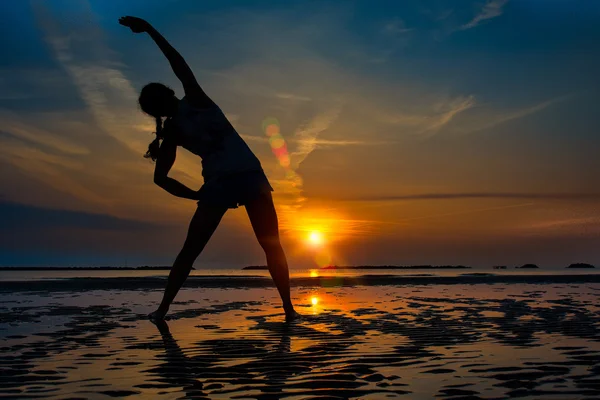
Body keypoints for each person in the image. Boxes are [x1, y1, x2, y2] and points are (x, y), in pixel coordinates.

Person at [119, 16, 297, 322]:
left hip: (246, 176)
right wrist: (194, 195)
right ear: (160, 105)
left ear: (168, 95)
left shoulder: (195, 101)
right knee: (193, 250)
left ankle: (289, 309)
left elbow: (176, 61)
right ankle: (162, 310)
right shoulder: (173, 130)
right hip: (224, 182)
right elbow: (160, 178)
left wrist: (150, 30)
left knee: (268, 245)